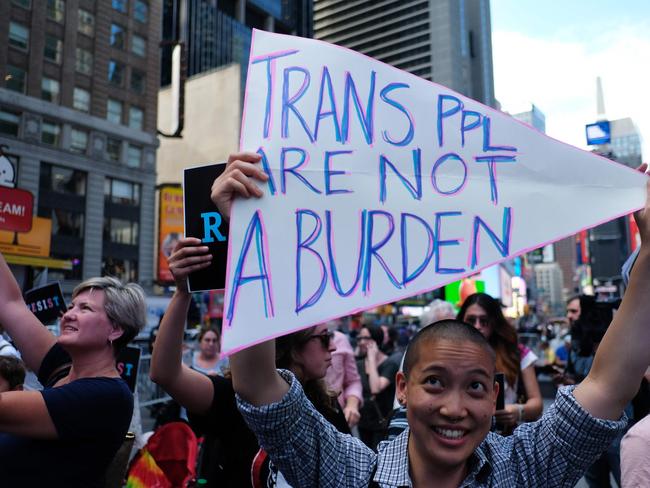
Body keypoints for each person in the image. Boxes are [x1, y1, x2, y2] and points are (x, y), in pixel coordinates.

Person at [222, 152, 650, 487]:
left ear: (495, 394)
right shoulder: (352, 475)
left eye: (476, 387)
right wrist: (246, 234)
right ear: (403, 389)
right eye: (435, 382)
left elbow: (608, 384)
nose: (454, 409)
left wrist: (648, 252)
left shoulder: (522, 470)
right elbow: (259, 387)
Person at [149, 235, 348, 488]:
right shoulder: (235, 399)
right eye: (323, 337)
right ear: (293, 349)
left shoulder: (327, 407)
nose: (332, 346)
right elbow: (166, 373)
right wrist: (182, 292)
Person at [0, 251, 145, 486]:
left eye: (84, 309)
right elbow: (9, 303)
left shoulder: (107, 396)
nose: (68, 315)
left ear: (115, 329)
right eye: (70, 307)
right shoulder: (64, 367)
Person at [457, 293, 543, 433]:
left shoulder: (516, 353)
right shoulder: (452, 353)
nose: (477, 326)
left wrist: (517, 411)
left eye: (484, 321)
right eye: (471, 320)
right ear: (462, 321)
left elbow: (537, 403)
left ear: (494, 322)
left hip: (504, 437)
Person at [356, 325, 401, 449]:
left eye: (366, 338)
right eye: (359, 338)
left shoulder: (389, 364)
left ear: (376, 340)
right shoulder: (358, 364)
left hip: (381, 423)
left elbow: (375, 388)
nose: (361, 342)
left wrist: (371, 358)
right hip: (363, 422)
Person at [324, 327, 363, 428]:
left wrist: (352, 405)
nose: (333, 347)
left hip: (338, 417)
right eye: (322, 337)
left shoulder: (340, 339)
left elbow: (353, 381)